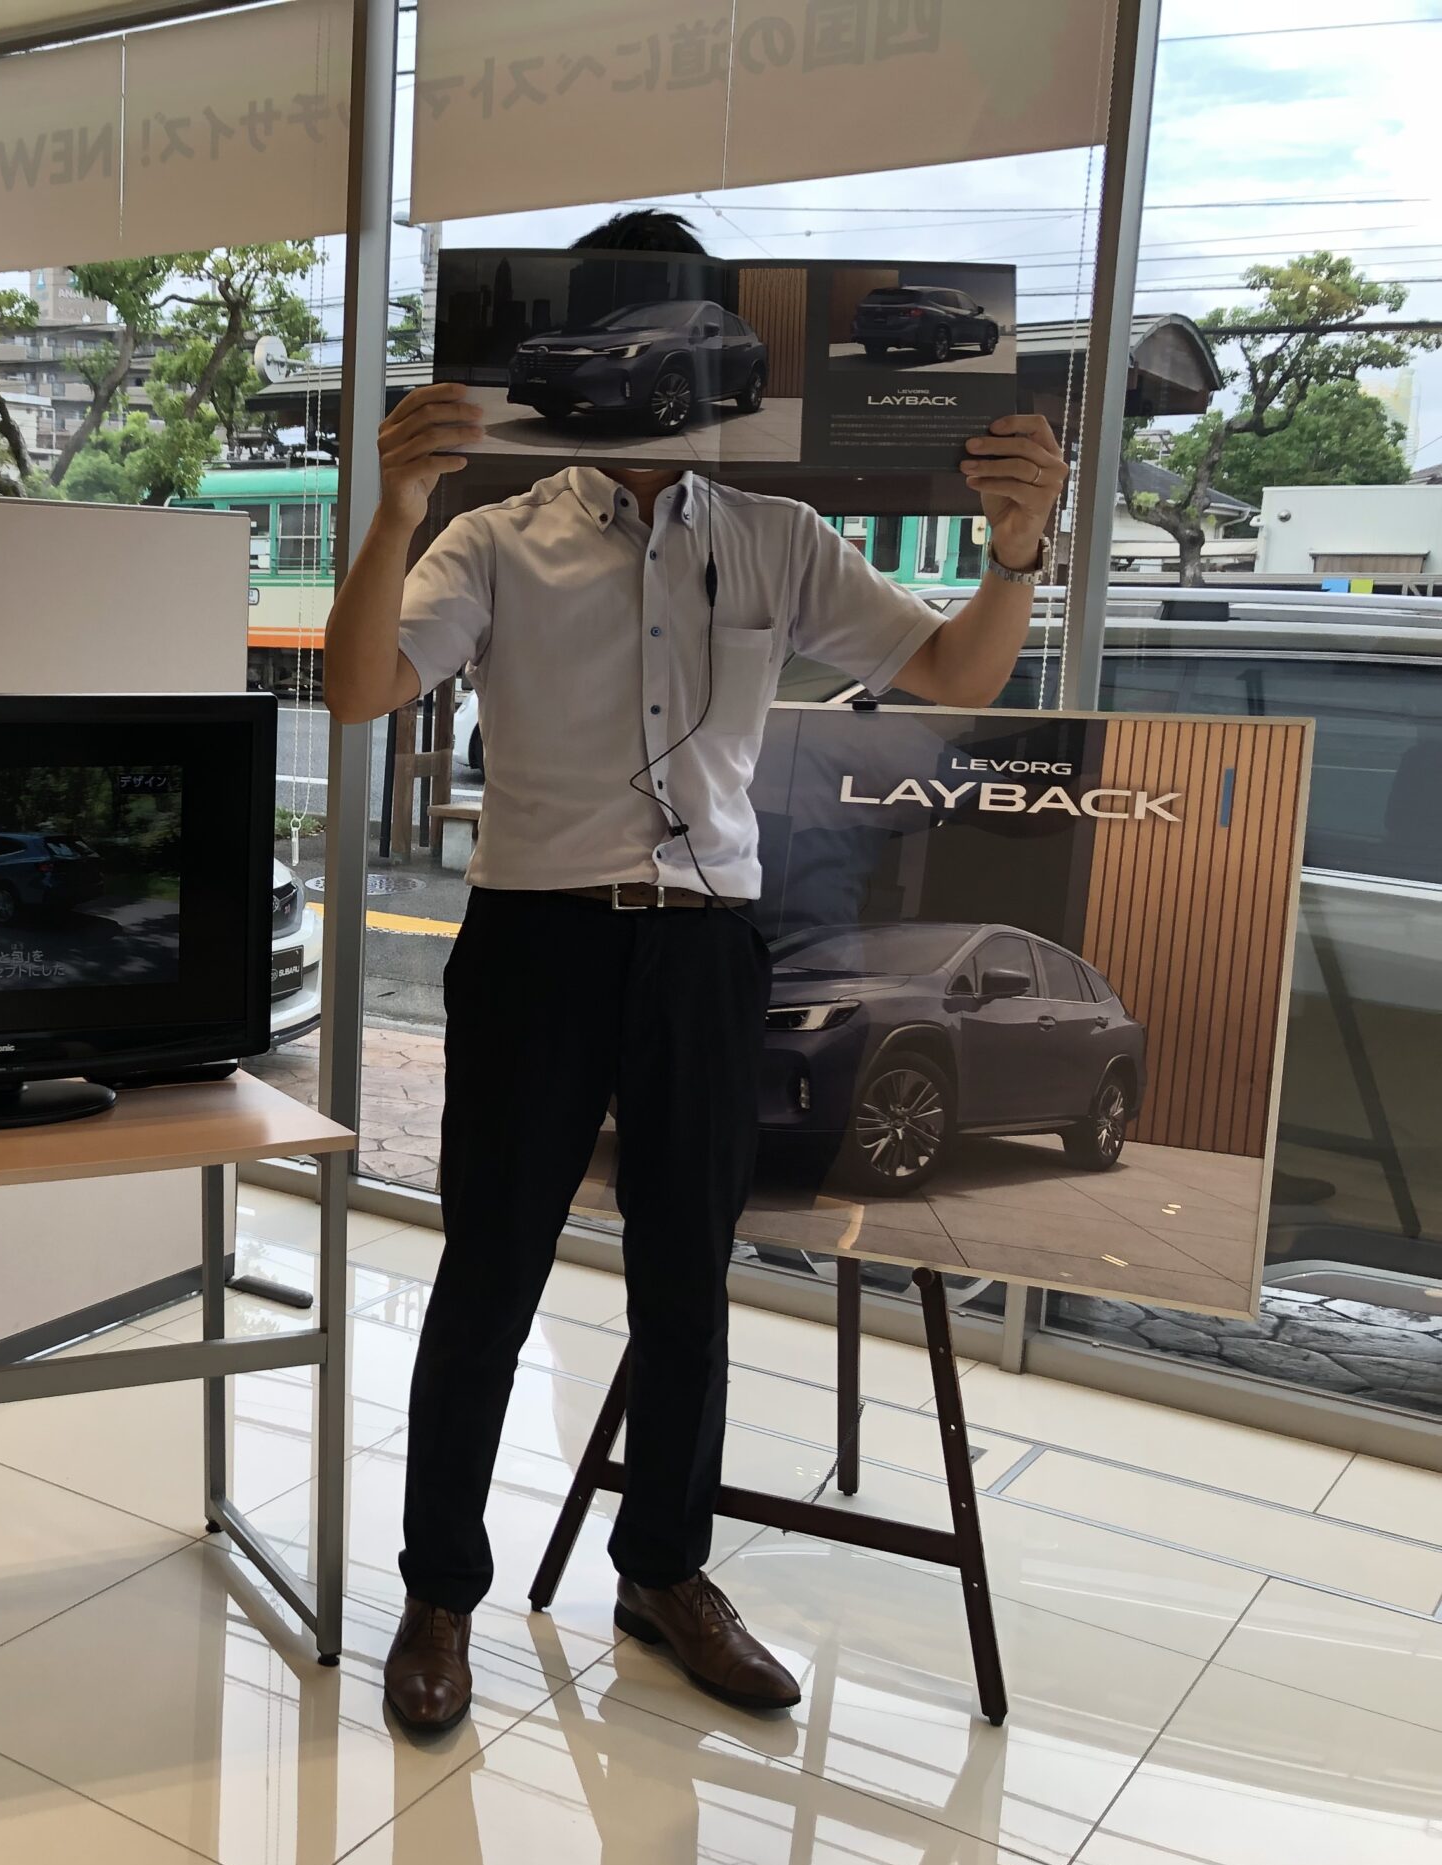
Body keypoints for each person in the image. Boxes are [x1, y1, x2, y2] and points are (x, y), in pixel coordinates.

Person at [327, 210, 1064, 1728]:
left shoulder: (774, 536)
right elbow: (355, 690)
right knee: (488, 1275)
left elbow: (950, 673)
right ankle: (439, 1592)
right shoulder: (494, 535)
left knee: (687, 1282)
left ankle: (664, 1572)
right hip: (535, 942)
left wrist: (1016, 552)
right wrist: (394, 509)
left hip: (708, 949)